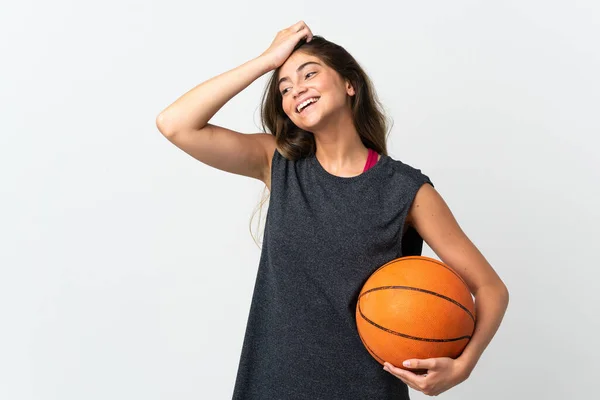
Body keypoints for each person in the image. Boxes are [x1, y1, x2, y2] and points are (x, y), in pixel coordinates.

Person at [156, 20, 510, 399]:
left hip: (365, 391)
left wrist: (462, 366)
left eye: (309, 73)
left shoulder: (406, 191)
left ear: (349, 84)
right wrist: (265, 61)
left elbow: (490, 288)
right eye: (285, 88)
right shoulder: (277, 163)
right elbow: (175, 125)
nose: (297, 89)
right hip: (270, 388)